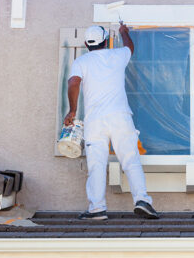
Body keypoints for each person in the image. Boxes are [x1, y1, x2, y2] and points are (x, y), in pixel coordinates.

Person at [64, 24, 159, 220]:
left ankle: (97, 209)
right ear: (106, 41)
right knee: (130, 159)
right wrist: (124, 33)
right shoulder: (117, 56)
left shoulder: (81, 62)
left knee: (96, 164)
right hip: (120, 117)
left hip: (95, 121)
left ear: (85, 44)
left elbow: (73, 83)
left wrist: (72, 110)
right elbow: (129, 47)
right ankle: (142, 201)